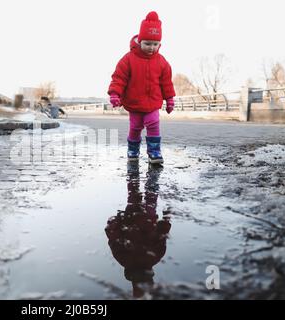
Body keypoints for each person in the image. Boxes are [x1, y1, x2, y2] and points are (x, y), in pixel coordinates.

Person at [108, 11, 176, 164]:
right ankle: (133, 149)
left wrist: (170, 99)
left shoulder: (162, 62)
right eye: (147, 44)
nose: (151, 48)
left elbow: (166, 82)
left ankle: (154, 152)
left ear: (160, 44)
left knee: (153, 124)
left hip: (153, 102)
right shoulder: (128, 59)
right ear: (140, 41)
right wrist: (115, 93)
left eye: (155, 44)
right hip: (134, 102)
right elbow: (119, 78)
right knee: (136, 127)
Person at [105, 164, 171, 298]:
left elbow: (161, 234)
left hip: (147, 217)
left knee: (151, 197)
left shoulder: (154, 258)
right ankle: (133, 170)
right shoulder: (123, 259)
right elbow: (113, 237)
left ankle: (152, 174)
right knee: (134, 194)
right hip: (132, 218)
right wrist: (114, 222)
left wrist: (166, 218)